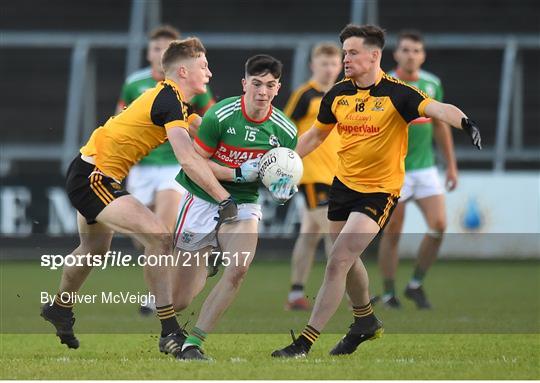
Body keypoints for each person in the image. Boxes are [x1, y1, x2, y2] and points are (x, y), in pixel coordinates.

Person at [271, 24, 481, 358]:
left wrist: (465, 123)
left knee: (338, 260)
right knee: (345, 259)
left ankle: (304, 343)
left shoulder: (399, 93)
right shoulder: (337, 94)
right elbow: (314, 136)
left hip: (379, 193)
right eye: (344, 53)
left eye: (352, 53)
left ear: (375, 55)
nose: (346, 59)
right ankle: (365, 320)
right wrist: (283, 161)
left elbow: (437, 108)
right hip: (342, 187)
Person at [40, 38, 246, 360]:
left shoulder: (174, 101)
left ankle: (59, 307)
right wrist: (224, 199)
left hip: (90, 172)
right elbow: (189, 159)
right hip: (94, 178)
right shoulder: (168, 99)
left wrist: (243, 159)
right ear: (183, 70)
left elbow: (205, 131)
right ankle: (170, 333)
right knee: (160, 238)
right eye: (203, 65)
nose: (209, 71)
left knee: (94, 249)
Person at [169, 54, 298, 360]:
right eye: (256, 84)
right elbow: (195, 165)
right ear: (244, 84)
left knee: (238, 268)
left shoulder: (285, 131)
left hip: (244, 205)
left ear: (278, 88)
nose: (262, 92)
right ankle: (210, 256)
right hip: (202, 199)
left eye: (269, 85)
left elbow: (279, 174)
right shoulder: (221, 115)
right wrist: (236, 172)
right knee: (179, 299)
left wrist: (282, 186)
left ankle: (194, 344)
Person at [115, 25, 215, 316]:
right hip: (142, 166)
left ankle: (155, 297)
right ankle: (188, 267)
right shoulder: (135, 83)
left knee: (163, 231)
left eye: (165, 48)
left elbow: (211, 117)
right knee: (147, 236)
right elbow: (120, 118)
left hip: (172, 164)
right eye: (156, 48)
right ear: (149, 53)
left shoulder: (192, 84)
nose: (160, 53)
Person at [374, 30, 458, 309]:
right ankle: (388, 292)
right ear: (396, 54)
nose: (411, 55)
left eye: (416, 51)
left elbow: (440, 126)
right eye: (406, 50)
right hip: (395, 170)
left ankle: (415, 284)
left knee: (439, 226)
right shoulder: (384, 83)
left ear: (423, 55)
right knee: (394, 231)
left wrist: (451, 166)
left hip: (426, 170)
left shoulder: (432, 84)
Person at [283, 42, 343, 311]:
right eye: (324, 64)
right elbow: (285, 127)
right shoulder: (305, 95)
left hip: (338, 175)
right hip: (310, 175)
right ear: (312, 66)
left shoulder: (345, 96)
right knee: (336, 233)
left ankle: (296, 293)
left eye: (333, 63)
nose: (329, 69)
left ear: (340, 66)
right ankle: (352, 295)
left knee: (310, 235)